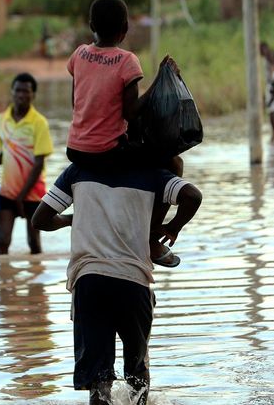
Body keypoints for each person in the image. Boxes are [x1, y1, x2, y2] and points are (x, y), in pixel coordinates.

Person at [31, 163, 202, 404]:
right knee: (137, 370)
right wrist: (172, 228)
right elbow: (192, 196)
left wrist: (71, 219)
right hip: (133, 280)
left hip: (90, 279)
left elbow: (40, 220)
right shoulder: (154, 173)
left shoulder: (78, 171)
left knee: (99, 381)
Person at [65, 0, 183, 268]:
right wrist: (160, 79)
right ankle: (153, 237)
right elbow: (130, 113)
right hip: (107, 152)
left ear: (91, 24)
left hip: (75, 149)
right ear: (126, 29)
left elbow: (77, 103)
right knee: (175, 163)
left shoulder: (79, 55)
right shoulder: (127, 61)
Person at [0, 73, 53, 255]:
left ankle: (35, 282)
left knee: (34, 243)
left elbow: (38, 163)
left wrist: (21, 196)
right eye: (18, 90)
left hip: (33, 193)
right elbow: (5, 155)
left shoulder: (39, 123)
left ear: (34, 95)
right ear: (12, 92)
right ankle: (3, 282)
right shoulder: (1, 120)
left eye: (26, 91)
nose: (21, 95)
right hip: (8, 192)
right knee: (2, 241)